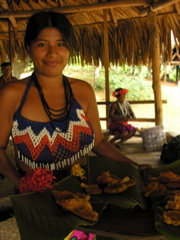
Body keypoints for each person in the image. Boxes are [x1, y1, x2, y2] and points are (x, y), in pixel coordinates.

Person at [0, 11, 151, 192]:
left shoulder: (83, 91)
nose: (52, 53)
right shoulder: (12, 94)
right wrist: (20, 182)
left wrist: (135, 165)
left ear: (69, 49)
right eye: (42, 44)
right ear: (28, 48)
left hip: (81, 184)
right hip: (33, 190)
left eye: (60, 44)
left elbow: (99, 143)